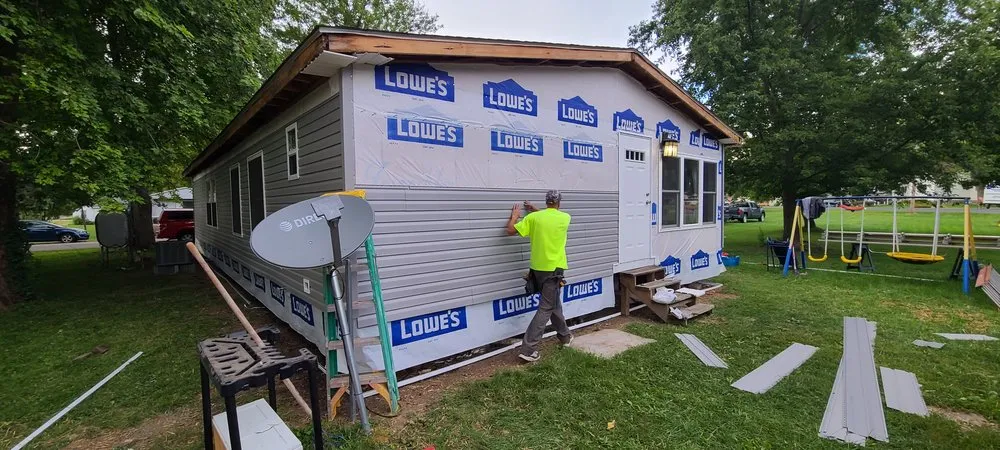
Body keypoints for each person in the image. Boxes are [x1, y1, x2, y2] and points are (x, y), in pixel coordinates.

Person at [505, 190, 573, 362]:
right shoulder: (565, 218)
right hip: (554, 270)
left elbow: (511, 230)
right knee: (546, 307)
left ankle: (565, 336)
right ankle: (528, 349)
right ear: (559, 203)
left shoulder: (534, 219)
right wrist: (536, 210)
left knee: (553, 304)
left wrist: (515, 216)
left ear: (546, 202)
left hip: (537, 270)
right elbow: (549, 218)